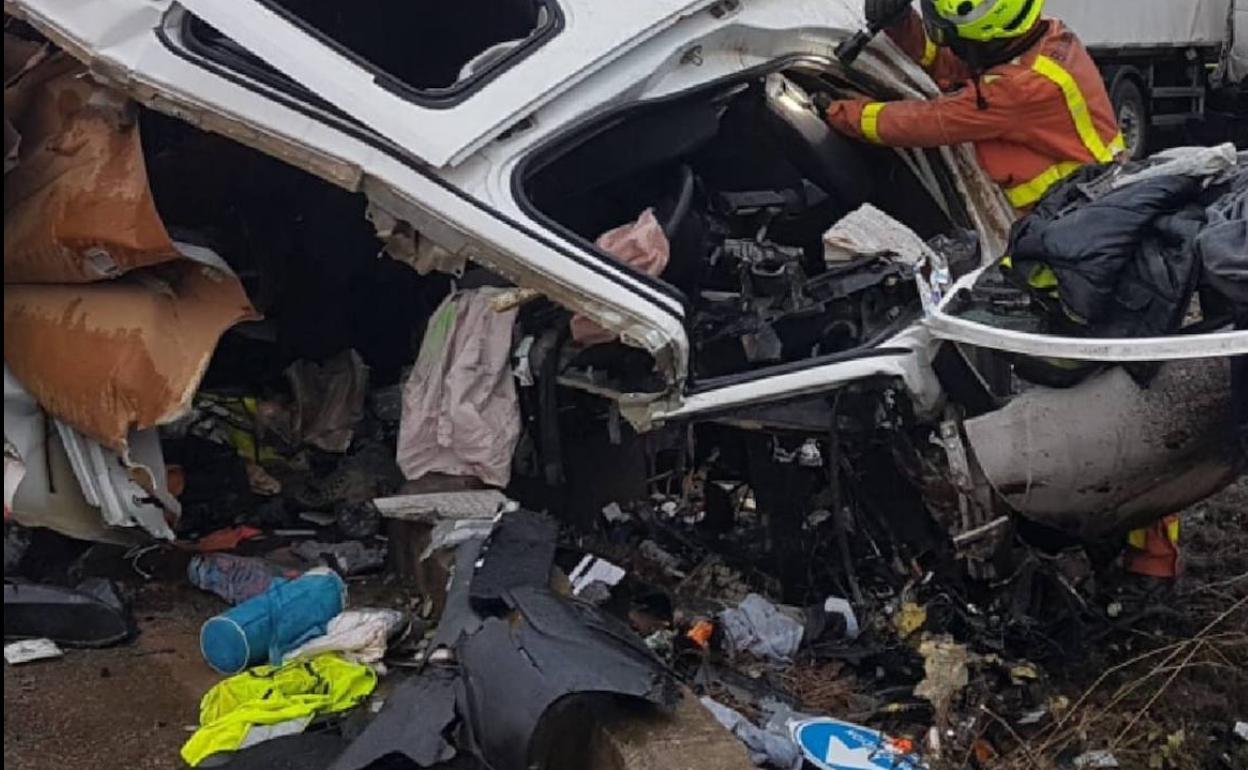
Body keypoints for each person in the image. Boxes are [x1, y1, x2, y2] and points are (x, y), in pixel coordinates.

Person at [820, 0, 1123, 211]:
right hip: (1087, 199)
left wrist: (838, 112)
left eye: (955, 38)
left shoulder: (1018, 89)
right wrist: (902, 24)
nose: (952, 47)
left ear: (987, 35)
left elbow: (928, 122)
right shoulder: (1040, 42)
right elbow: (948, 65)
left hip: (1069, 214)